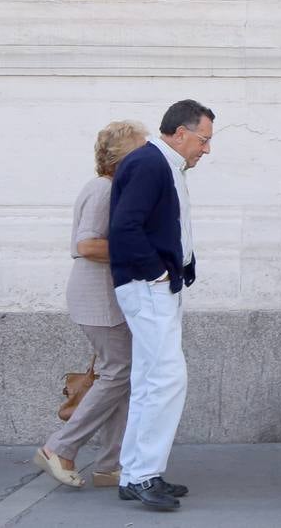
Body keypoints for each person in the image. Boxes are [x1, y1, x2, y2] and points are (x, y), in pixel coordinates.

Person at [108, 99, 213, 511]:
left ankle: (136, 473)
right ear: (181, 132)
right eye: (203, 140)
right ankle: (143, 474)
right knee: (167, 378)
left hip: (154, 285)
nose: (205, 149)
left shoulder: (160, 164)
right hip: (147, 285)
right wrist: (157, 273)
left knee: (152, 379)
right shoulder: (151, 164)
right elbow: (124, 226)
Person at [34, 120, 151, 489]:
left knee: (121, 375)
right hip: (99, 298)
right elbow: (86, 244)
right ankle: (61, 447)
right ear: (124, 158)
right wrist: (140, 252)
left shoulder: (108, 187)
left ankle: (110, 465)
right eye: (142, 150)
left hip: (101, 297)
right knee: (119, 372)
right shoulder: (104, 190)